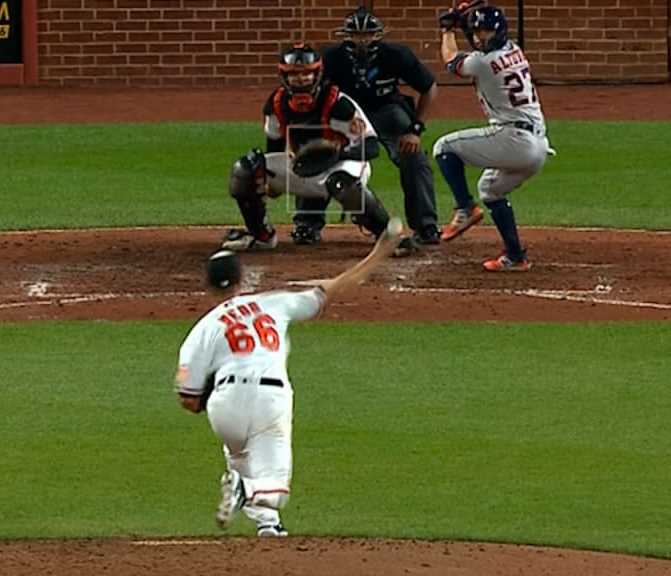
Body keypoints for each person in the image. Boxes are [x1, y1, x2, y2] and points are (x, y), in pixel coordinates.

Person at [176, 219, 406, 537]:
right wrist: (380, 252)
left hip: (224, 407)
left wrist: (209, 394)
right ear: (242, 278)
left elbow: (188, 399)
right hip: (269, 401)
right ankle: (247, 490)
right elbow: (334, 288)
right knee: (274, 487)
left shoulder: (201, 329)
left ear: (210, 286)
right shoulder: (271, 303)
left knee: (238, 453)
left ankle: (268, 525)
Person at [291, 5, 441, 256]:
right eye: (356, 35)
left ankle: (426, 225)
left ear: (379, 35)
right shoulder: (329, 58)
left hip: (387, 111)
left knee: (414, 158)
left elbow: (429, 87)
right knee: (319, 155)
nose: (362, 41)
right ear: (344, 36)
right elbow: (314, 91)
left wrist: (415, 129)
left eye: (368, 35)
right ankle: (307, 223)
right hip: (344, 114)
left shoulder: (397, 55)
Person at [221, 42, 397, 254]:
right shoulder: (276, 104)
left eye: (307, 74)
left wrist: (337, 154)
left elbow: (371, 148)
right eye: (294, 74)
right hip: (304, 166)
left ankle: (388, 236)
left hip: (343, 165)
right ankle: (262, 236)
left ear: (317, 74)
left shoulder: (338, 103)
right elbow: (274, 147)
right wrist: (268, 179)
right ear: (284, 76)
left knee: (342, 184)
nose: (301, 79)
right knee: (246, 168)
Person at [432, 5, 552, 271]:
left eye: (484, 32)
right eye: (477, 32)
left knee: (444, 147)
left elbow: (452, 61)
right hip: (538, 146)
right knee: (490, 189)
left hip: (513, 139)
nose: (479, 38)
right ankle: (515, 257)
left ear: (497, 31)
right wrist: (465, 22)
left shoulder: (482, 63)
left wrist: (447, 29)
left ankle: (464, 208)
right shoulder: (514, 49)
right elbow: (480, 48)